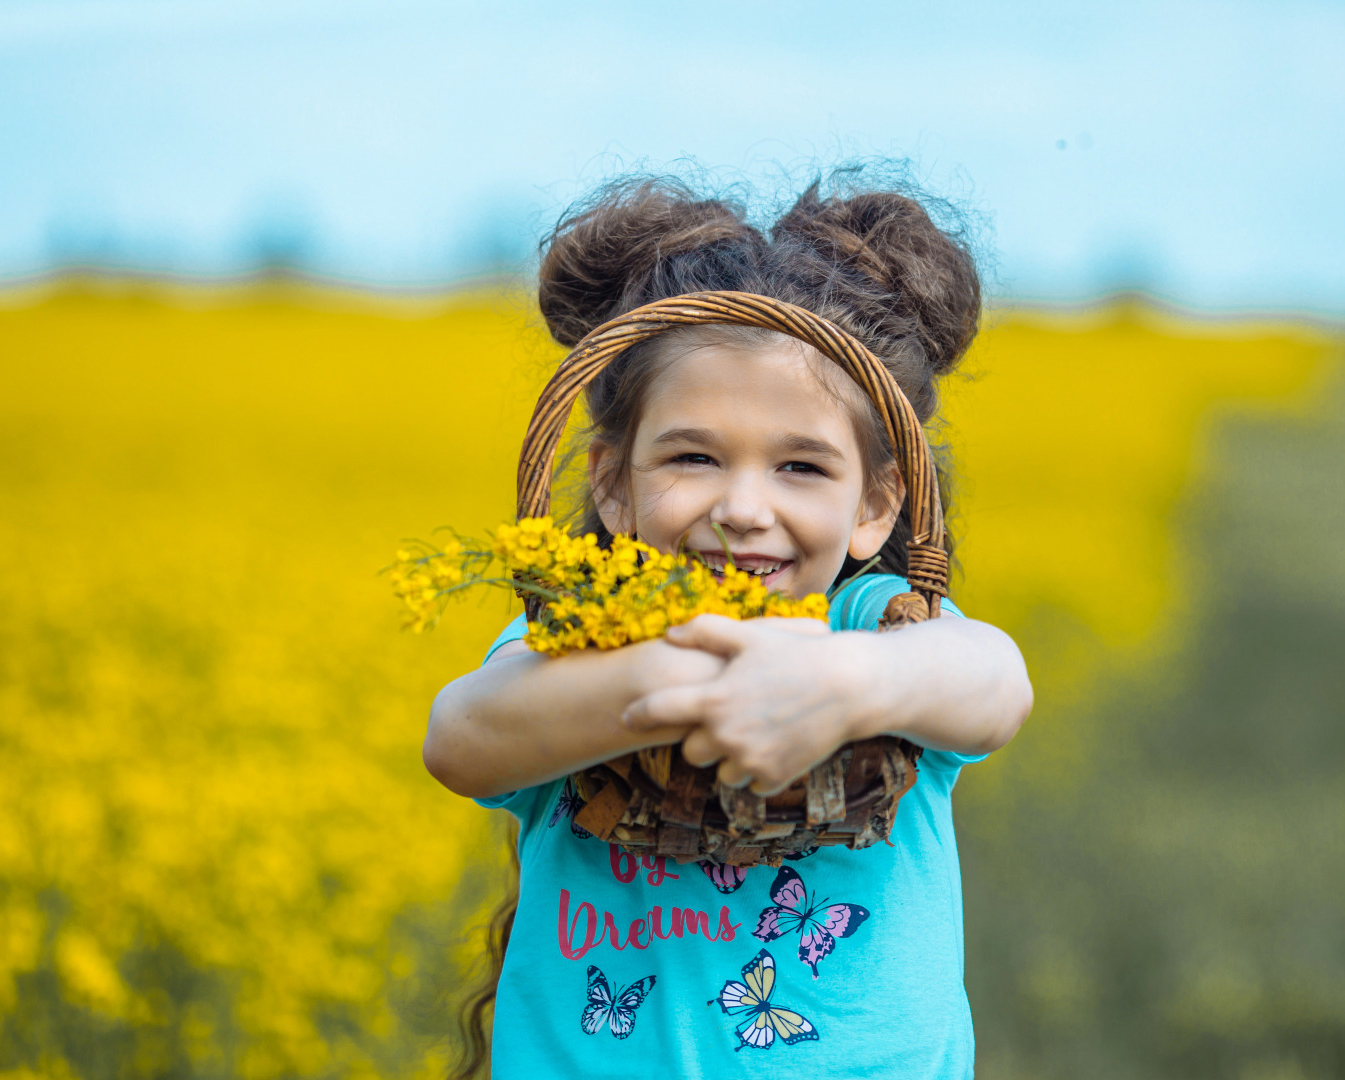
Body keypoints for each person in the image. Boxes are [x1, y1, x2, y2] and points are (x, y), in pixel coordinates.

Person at [423, 175, 1033, 1079]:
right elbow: (462, 739)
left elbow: (993, 682)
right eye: (694, 457)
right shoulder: (584, 638)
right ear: (614, 486)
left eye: (799, 466)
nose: (744, 509)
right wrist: (683, 677)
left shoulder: (873, 628)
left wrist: (840, 682)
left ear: (874, 505)